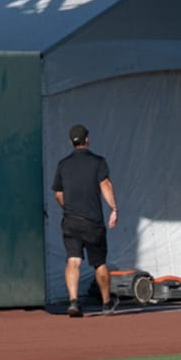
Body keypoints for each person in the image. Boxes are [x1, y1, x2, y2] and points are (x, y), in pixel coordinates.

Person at [49, 123, 119, 316]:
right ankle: (106, 303)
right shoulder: (98, 162)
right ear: (87, 139)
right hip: (93, 221)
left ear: (70, 142)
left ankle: (73, 301)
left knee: (73, 260)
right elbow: (105, 184)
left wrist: (69, 208)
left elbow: (58, 193)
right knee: (99, 263)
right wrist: (114, 208)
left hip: (71, 220)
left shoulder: (63, 164)